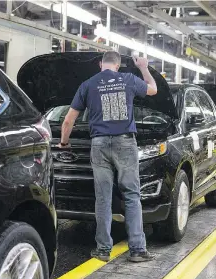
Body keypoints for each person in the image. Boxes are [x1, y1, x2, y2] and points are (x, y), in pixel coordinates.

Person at [57, 51, 158, 262]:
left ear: (100, 64)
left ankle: (103, 250)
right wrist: (143, 67)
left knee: (103, 198)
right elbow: (154, 90)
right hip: (125, 142)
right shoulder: (128, 79)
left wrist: (64, 143)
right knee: (131, 195)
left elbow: (68, 121)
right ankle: (138, 250)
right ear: (119, 65)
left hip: (99, 143)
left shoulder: (88, 84)